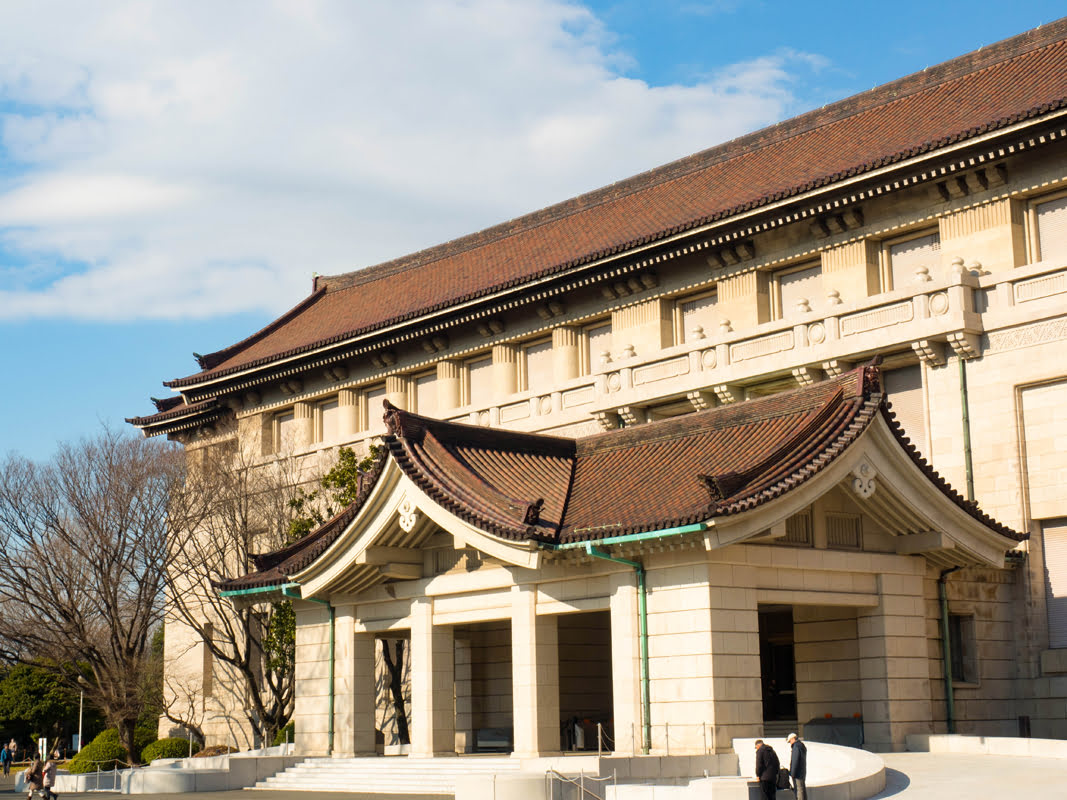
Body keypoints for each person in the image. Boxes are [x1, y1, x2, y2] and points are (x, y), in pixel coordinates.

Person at [788, 732, 807, 800]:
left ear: (793, 739)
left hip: (797, 773)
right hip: (802, 772)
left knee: (799, 790)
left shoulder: (796, 747)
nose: (790, 743)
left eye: (790, 741)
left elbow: (795, 761)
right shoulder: (802, 745)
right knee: (802, 789)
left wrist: (792, 773)